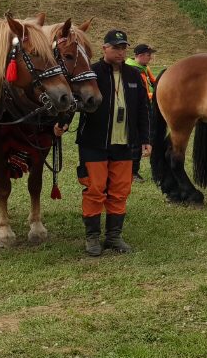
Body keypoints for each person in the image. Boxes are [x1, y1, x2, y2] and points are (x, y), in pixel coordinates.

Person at [54, 29, 150, 256]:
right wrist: (63, 122)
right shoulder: (92, 72)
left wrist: (146, 139)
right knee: (95, 189)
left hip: (125, 143)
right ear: (104, 48)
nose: (120, 52)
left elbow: (143, 110)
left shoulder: (134, 76)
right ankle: (93, 238)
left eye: (123, 47)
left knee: (120, 191)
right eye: (115, 47)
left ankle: (114, 237)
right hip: (94, 143)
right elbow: (74, 99)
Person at [124, 44, 158, 182]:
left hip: (146, 106)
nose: (150, 57)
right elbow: (141, 93)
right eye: (148, 55)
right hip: (136, 108)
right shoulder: (133, 70)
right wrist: (156, 96)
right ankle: (132, 172)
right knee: (136, 141)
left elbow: (154, 83)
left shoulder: (145, 68)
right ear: (139, 55)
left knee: (145, 138)